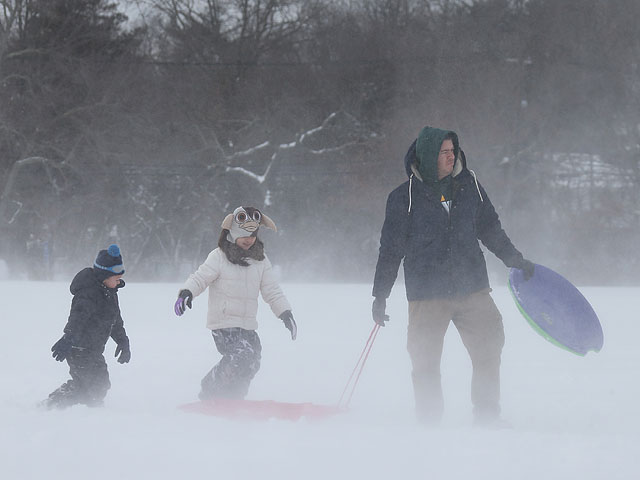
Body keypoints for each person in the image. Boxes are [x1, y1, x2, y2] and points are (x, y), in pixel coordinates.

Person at [371, 126, 534, 428]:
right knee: (425, 362)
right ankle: (430, 423)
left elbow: (490, 228)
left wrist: (513, 259)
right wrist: (380, 295)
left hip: (471, 287)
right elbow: (390, 249)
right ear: (428, 156)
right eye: (444, 152)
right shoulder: (403, 197)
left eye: (453, 151)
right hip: (427, 293)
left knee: (489, 347)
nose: (450, 157)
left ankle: (487, 416)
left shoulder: (469, 184)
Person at [174, 206, 296, 401]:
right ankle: (210, 388)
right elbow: (200, 277)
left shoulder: (261, 260)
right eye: (244, 234)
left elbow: (272, 290)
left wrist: (285, 313)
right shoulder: (219, 256)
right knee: (242, 355)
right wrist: (187, 292)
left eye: (252, 234)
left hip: (247, 324)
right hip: (224, 323)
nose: (248, 239)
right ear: (232, 233)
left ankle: (234, 397)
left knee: (253, 360)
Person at [43, 244, 131, 409]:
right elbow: (78, 318)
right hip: (78, 349)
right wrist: (68, 338)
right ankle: (62, 406)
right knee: (94, 385)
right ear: (105, 276)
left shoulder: (110, 293)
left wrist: (123, 341)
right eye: (116, 278)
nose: (119, 281)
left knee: (96, 384)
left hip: (93, 350)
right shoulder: (88, 294)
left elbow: (115, 320)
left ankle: (67, 406)